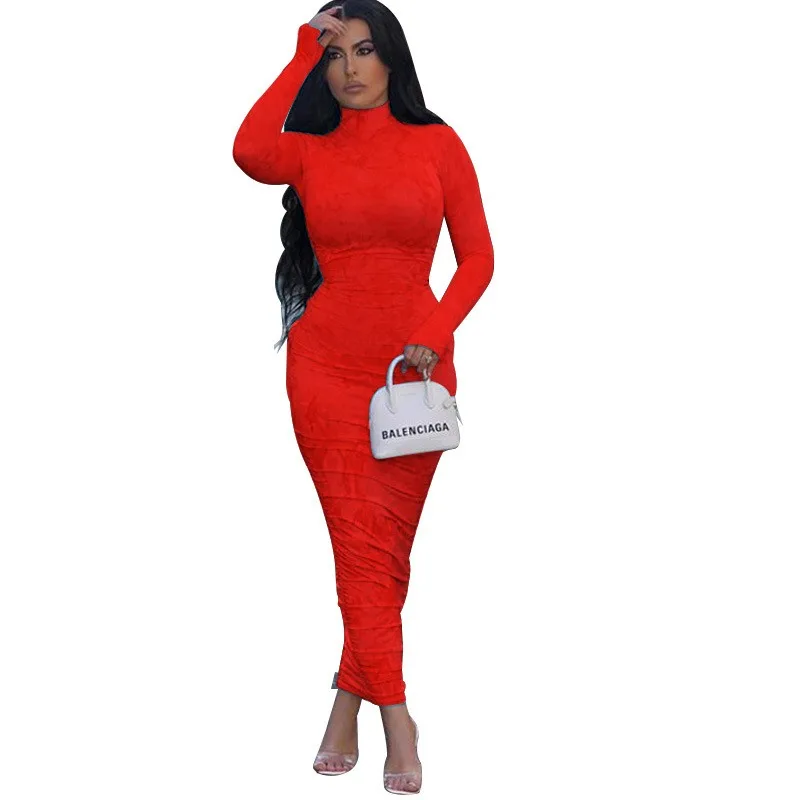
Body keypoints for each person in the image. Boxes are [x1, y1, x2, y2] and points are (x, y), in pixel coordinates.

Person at [232, 2, 493, 794]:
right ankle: (398, 719)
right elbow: (247, 149)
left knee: (381, 553)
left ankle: (346, 703)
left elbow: (478, 258)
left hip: (413, 377)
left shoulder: (438, 143)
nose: (348, 67)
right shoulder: (309, 152)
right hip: (325, 371)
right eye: (334, 53)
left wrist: (436, 330)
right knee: (361, 547)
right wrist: (297, 51)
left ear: (393, 59)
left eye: (364, 50)